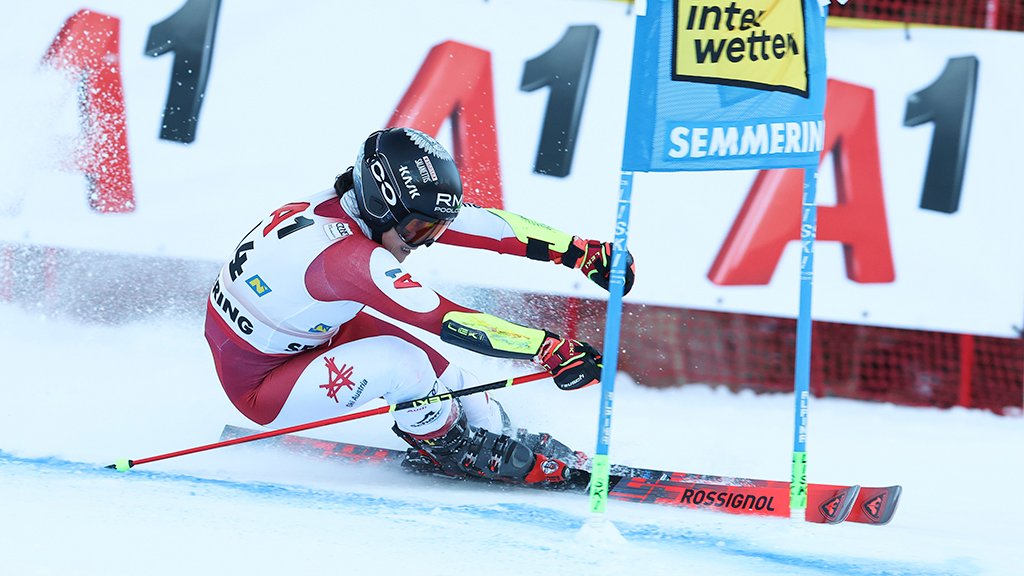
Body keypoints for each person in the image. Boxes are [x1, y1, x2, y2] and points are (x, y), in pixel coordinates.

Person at [204, 127, 635, 486]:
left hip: (304, 336)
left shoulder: (360, 207)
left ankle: (495, 436)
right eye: (419, 230)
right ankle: (449, 448)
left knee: (461, 385)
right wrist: (547, 348)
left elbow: (483, 225)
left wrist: (580, 251)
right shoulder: (348, 258)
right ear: (381, 203)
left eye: (436, 229)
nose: (425, 242)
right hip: (263, 385)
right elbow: (446, 318)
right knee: (404, 366)